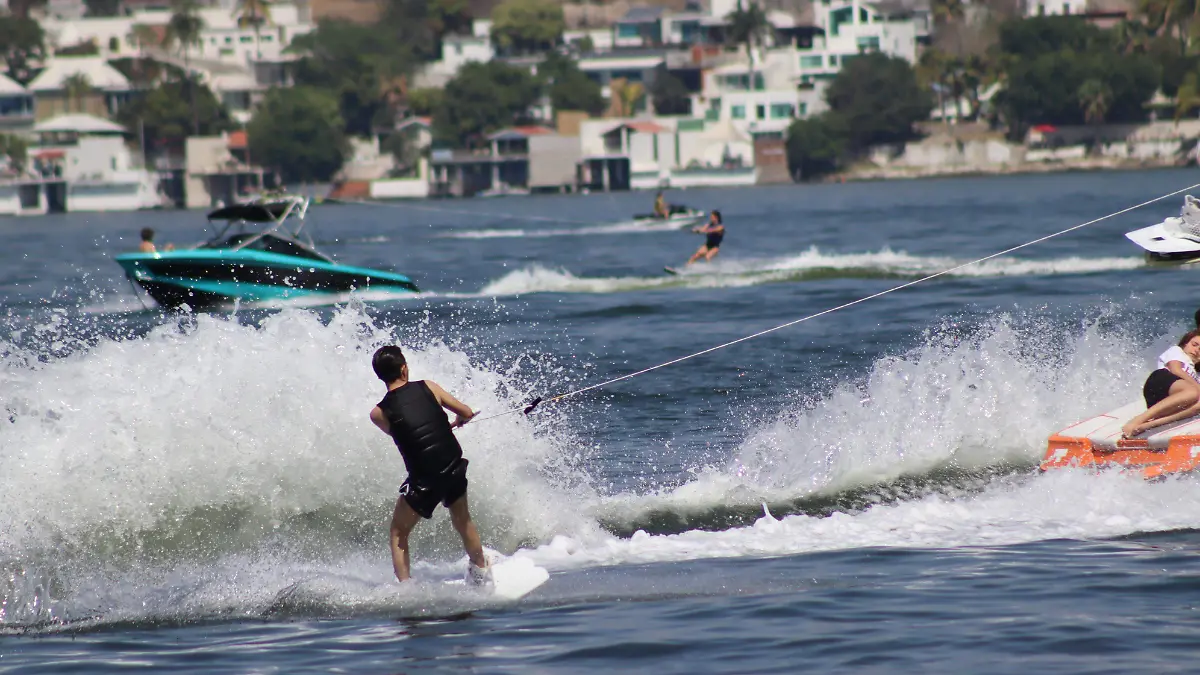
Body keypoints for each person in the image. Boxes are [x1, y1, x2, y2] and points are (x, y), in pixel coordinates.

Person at [368, 346, 492, 585]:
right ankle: (480, 568)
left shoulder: (378, 413)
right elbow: (466, 412)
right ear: (404, 369)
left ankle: (406, 588)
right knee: (462, 520)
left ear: (380, 376)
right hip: (453, 465)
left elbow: (404, 434)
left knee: (398, 532)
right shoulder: (428, 386)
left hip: (424, 479)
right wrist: (457, 421)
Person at [1122, 330, 1200, 439]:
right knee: (1192, 392)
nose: (1196, 350)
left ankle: (1150, 424)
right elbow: (1175, 369)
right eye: (1194, 344)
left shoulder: (1197, 375)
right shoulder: (1177, 351)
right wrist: (1197, 388)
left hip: (1173, 400)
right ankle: (1137, 420)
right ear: (1185, 343)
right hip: (1161, 382)